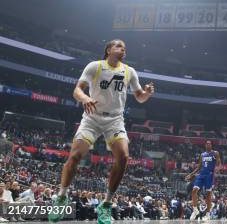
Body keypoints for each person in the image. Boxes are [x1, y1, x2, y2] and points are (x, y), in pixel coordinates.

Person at [49, 40, 155, 224]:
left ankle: (105, 205)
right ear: (108, 50)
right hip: (92, 117)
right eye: (119, 46)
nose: (123, 49)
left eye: (124, 48)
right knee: (74, 156)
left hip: (115, 120)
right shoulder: (95, 66)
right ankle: (61, 197)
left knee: (123, 157)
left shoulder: (130, 71)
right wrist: (84, 98)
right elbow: (77, 90)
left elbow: (139, 97)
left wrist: (147, 93)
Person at [185, 140, 222, 221]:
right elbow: (199, 167)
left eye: (209, 143)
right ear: (205, 145)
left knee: (208, 194)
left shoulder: (215, 153)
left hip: (209, 175)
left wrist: (216, 170)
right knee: (194, 190)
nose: (208, 144)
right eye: (207, 143)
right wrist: (191, 174)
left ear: (211, 145)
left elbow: (219, 164)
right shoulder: (202, 155)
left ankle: (208, 214)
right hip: (201, 174)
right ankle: (195, 210)